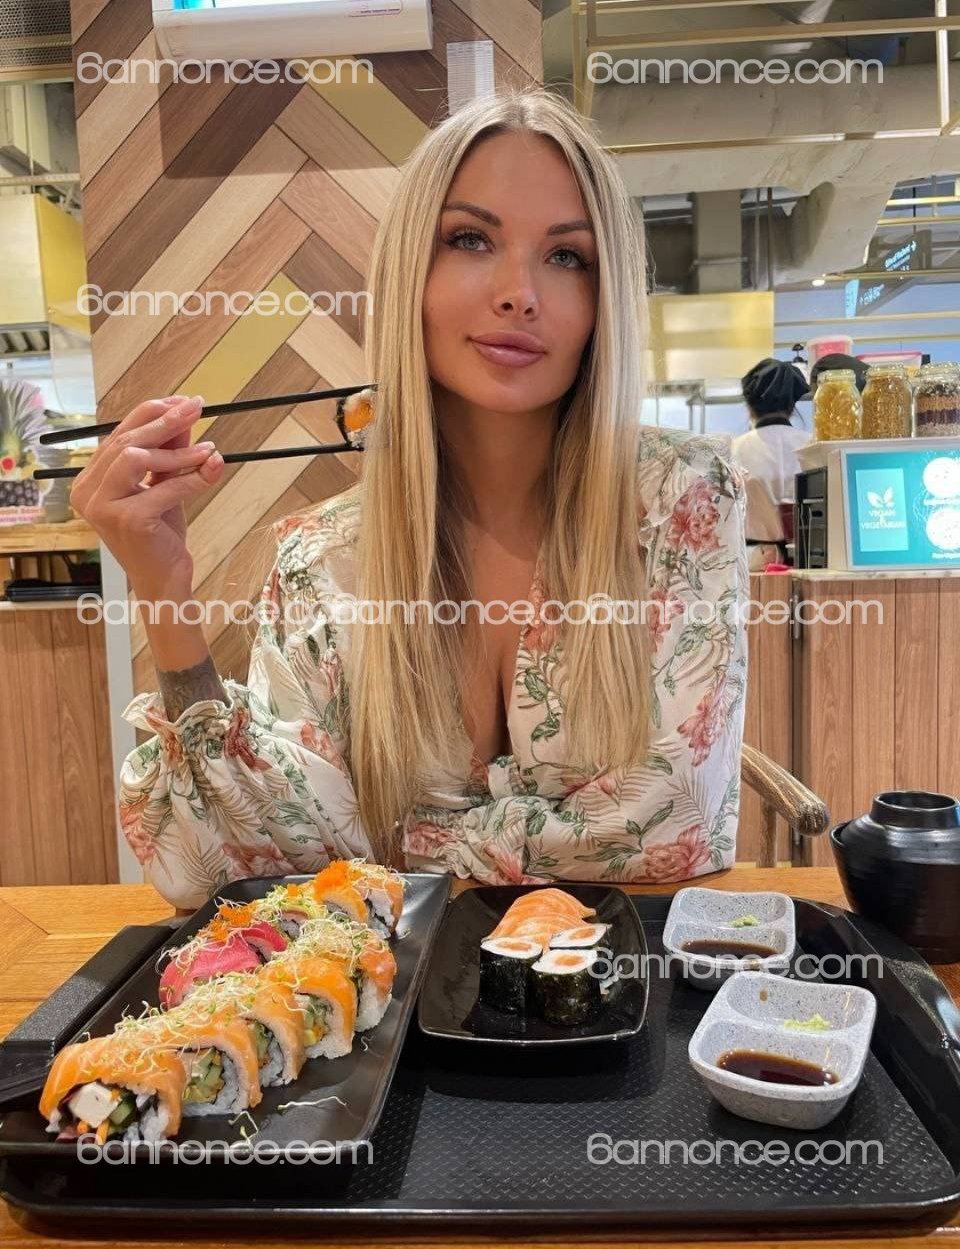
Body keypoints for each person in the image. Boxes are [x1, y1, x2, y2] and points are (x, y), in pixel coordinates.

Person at [72, 88, 748, 909]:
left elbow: (675, 824)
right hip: (398, 989)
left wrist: (392, 842)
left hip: (625, 973)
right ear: (408, 279)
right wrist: (164, 593)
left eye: (567, 257)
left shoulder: (682, 498)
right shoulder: (323, 558)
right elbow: (230, 871)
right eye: (471, 239)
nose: (519, 292)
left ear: (603, 301)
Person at [731, 358, 810, 571]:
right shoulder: (811, 445)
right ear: (792, 407)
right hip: (810, 562)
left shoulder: (734, 450)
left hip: (752, 564)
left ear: (749, 407)